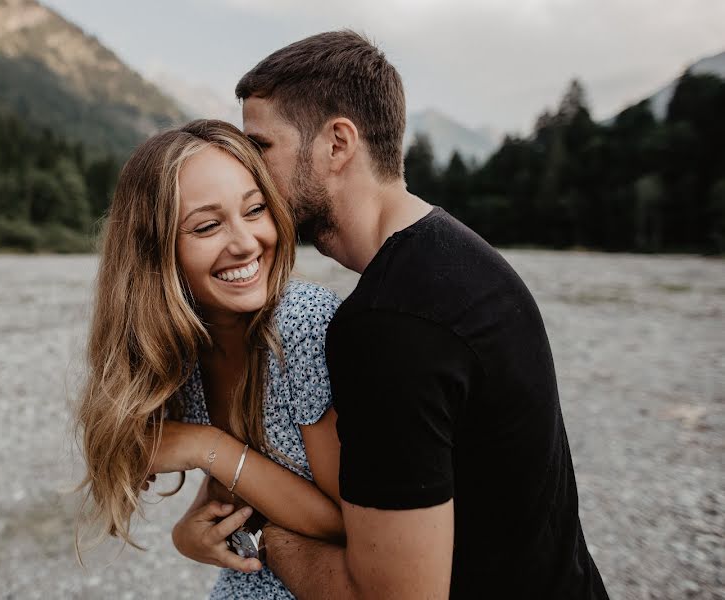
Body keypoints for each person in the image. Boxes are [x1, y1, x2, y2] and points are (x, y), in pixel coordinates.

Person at [194, 30, 607, 599]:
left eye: (261, 146)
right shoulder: (459, 258)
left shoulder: (389, 327)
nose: (251, 171)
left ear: (337, 143)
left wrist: (260, 536)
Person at [74, 119, 345, 599]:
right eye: (207, 226)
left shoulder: (300, 324)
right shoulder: (183, 348)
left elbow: (346, 518)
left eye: (255, 209)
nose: (244, 242)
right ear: (156, 252)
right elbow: (245, 487)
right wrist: (187, 534)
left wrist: (204, 445)